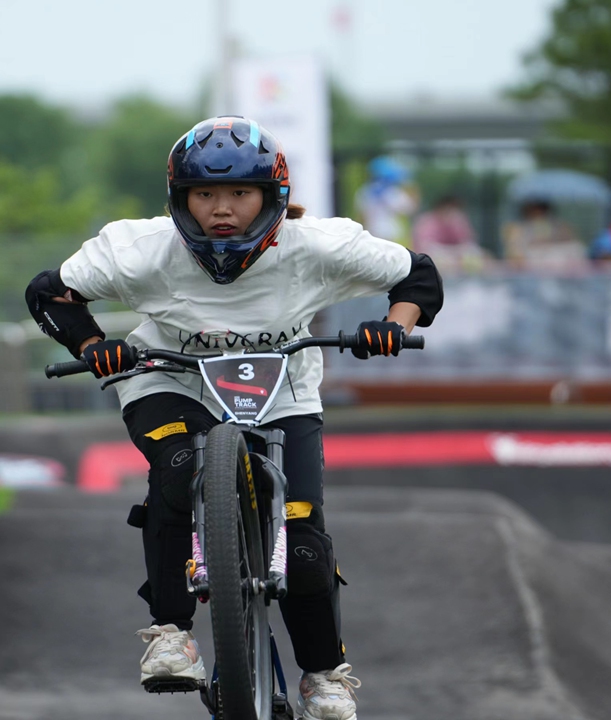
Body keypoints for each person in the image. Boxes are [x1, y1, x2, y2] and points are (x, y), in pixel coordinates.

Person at [25, 116, 443, 720]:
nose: (222, 210)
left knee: (301, 543)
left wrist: (393, 327)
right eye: (205, 195)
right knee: (177, 467)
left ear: (271, 198)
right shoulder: (138, 251)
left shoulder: (321, 247)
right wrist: (93, 347)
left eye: (239, 195)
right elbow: (50, 293)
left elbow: (418, 274)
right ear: (180, 199)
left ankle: (325, 676)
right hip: (167, 376)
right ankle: (170, 634)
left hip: (284, 389)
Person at [501, 198, 588, 270]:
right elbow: (514, 249)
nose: (537, 213)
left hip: (552, 256)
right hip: (532, 258)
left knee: (575, 248)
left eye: (539, 209)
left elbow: (568, 238)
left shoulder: (557, 225)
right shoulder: (519, 227)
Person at [354, 156, 420, 248]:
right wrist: (411, 187)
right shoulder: (391, 192)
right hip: (391, 235)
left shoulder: (363, 191)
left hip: (371, 233)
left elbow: (361, 217)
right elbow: (410, 208)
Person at [412, 194, 488, 273]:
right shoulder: (427, 221)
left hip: (455, 257)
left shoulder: (458, 221)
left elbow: (469, 243)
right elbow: (426, 248)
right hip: (435, 258)